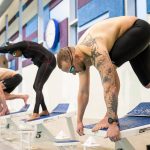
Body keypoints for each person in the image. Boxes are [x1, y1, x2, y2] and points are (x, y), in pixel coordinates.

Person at [56, 16, 150, 142]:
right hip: (133, 37)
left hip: (138, 29)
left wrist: (112, 123)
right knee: (147, 83)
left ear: (76, 57)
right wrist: (79, 120)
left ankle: (110, 116)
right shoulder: (81, 59)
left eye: (72, 70)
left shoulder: (96, 51)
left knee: (110, 64)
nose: (73, 74)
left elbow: (110, 86)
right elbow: (83, 92)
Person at [0, 41, 56, 120]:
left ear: (16, 47)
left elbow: (6, 48)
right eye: (13, 55)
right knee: (36, 86)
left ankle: (36, 113)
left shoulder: (23, 44)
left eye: (14, 53)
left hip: (49, 60)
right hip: (45, 62)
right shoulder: (23, 51)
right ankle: (45, 110)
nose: (15, 56)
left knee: (37, 87)